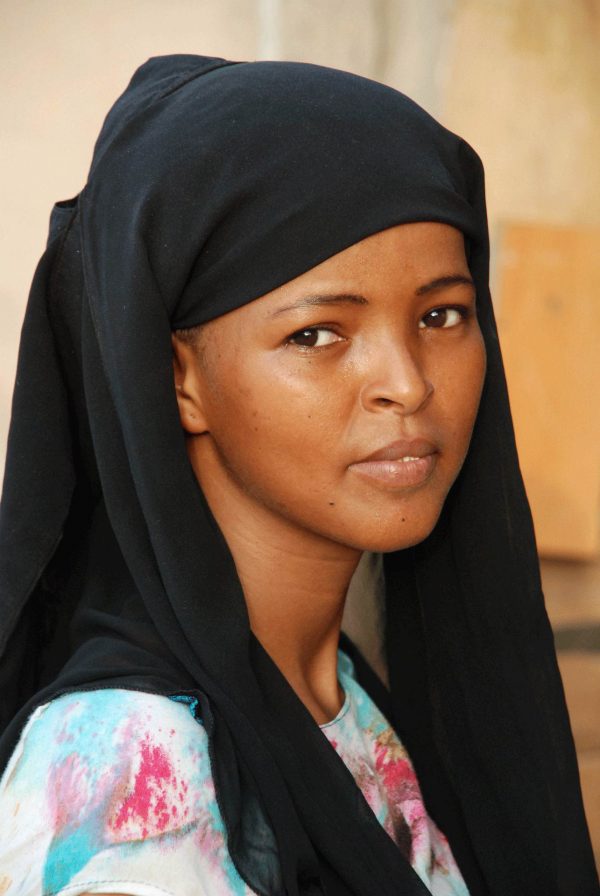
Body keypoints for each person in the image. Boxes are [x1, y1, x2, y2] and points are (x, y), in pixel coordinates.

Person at [0, 54, 596, 896]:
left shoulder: (341, 702)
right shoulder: (132, 781)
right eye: (317, 333)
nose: (409, 382)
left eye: (441, 315)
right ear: (177, 380)